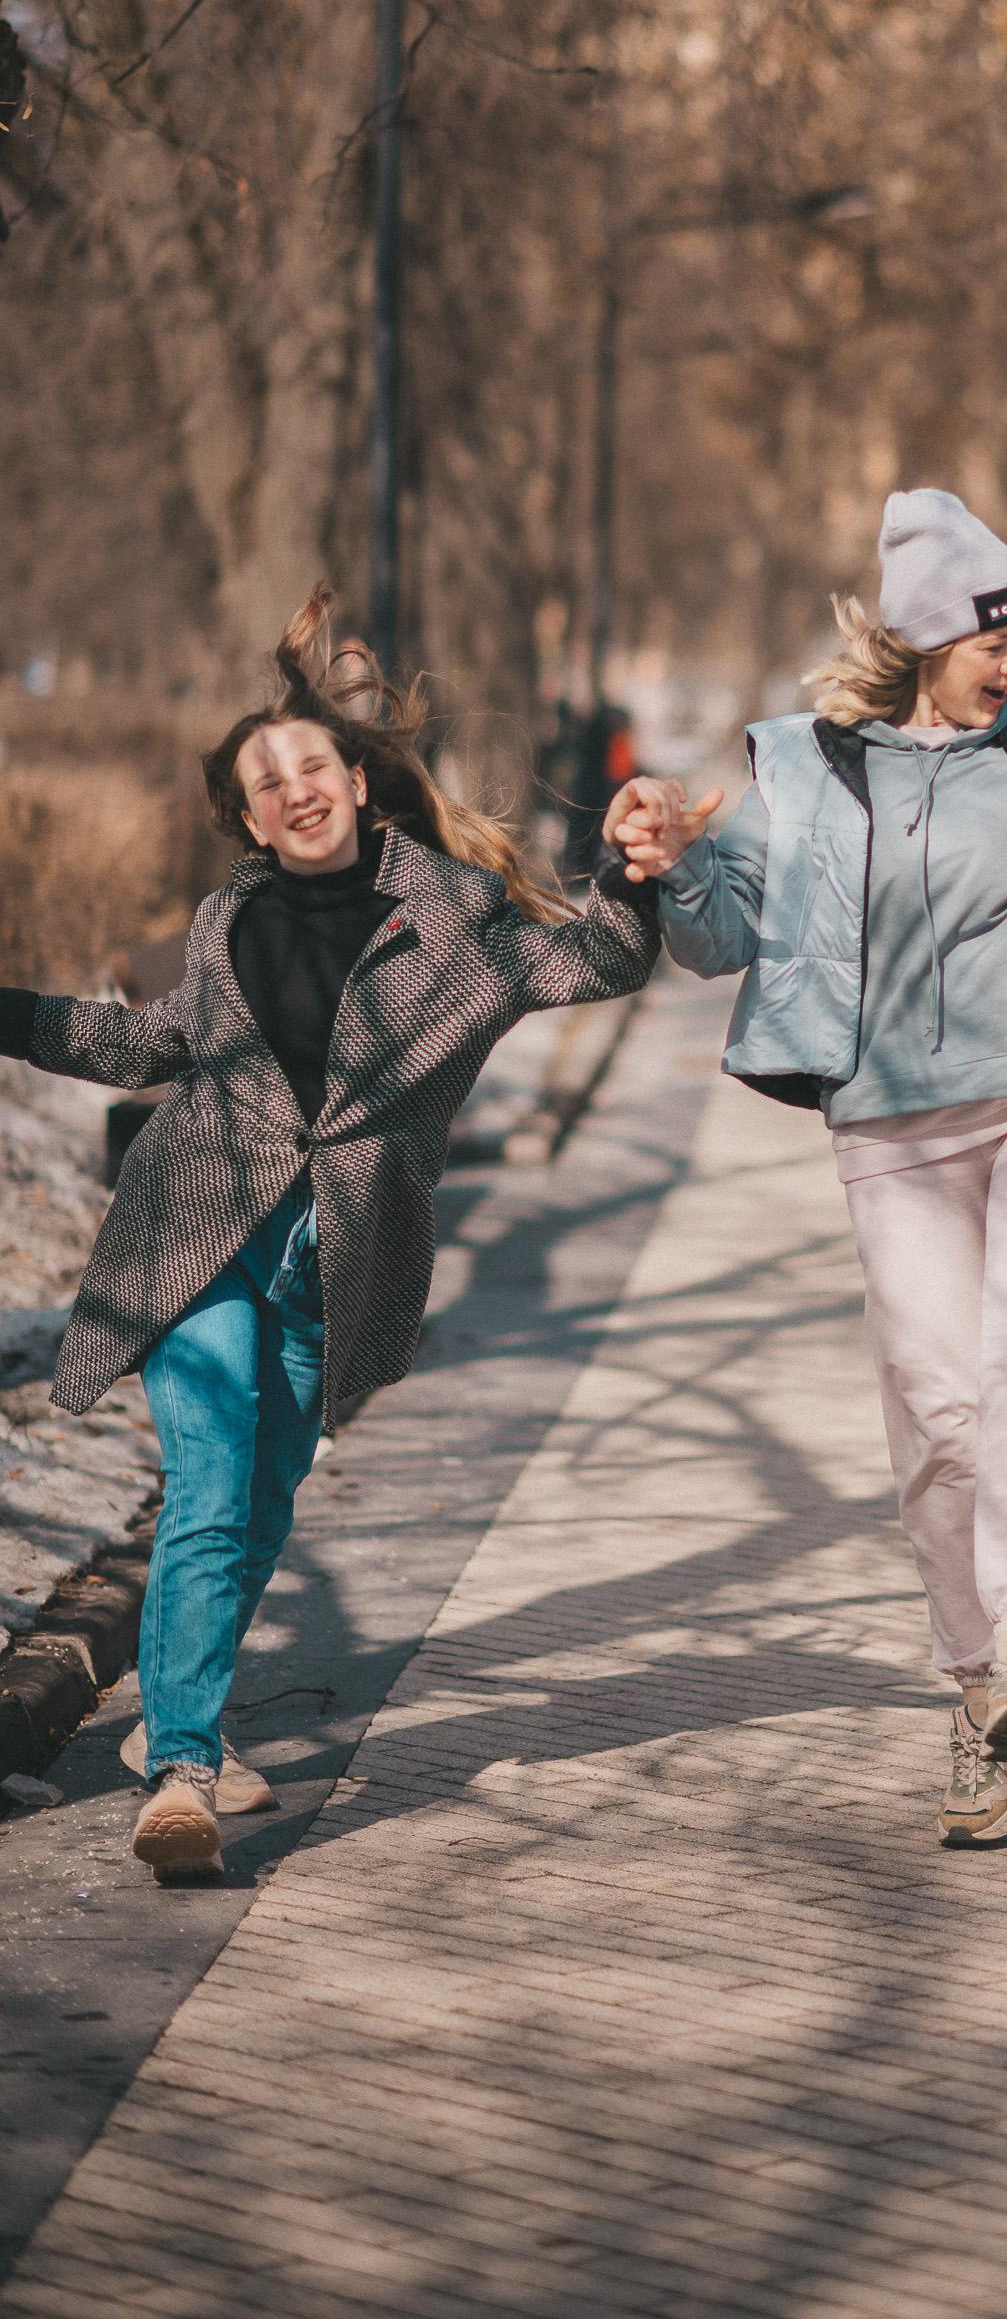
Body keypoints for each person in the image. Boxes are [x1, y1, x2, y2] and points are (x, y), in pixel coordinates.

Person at [0, 591, 665, 1883]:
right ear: (248, 819)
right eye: (267, 781)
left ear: (356, 783)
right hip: (197, 1231)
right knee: (207, 1477)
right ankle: (183, 1759)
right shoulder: (225, 925)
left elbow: (598, 963)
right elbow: (143, 1046)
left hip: (342, 1257)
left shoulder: (458, 921)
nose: (294, 789)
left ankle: (179, 1716)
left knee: (262, 1495)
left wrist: (633, 875)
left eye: (312, 765)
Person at [618, 491, 1007, 1848]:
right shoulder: (812, 771)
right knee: (938, 1409)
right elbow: (717, 941)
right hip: (890, 1122)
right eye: (991, 642)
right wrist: (671, 859)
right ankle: (978, 1695)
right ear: (925, 639)